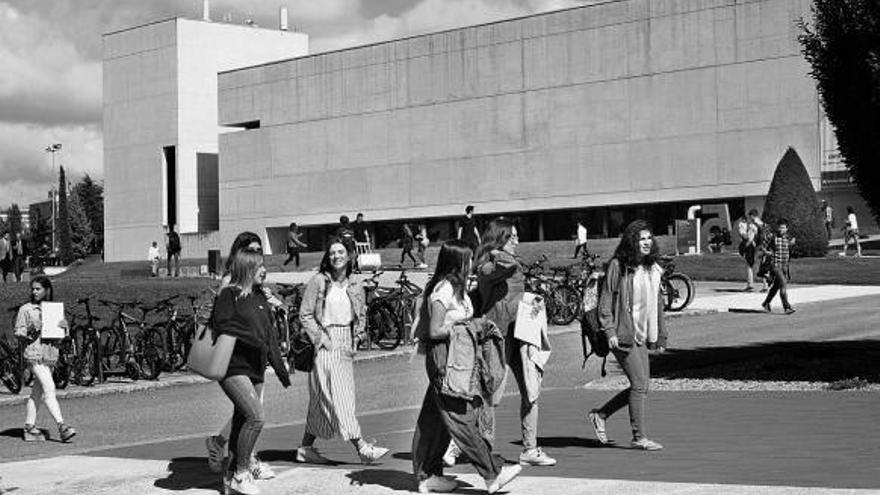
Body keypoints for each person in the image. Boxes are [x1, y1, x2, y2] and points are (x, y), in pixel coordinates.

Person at [411, 241, 521, 494]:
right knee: (460, 416)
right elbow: (435, 329)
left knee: (434, 420)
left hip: (460, 357)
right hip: (445, 357)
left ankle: (428, 475)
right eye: (469, 259)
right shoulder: (443, 289)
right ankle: (492, 473)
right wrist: (465, 328)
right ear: (458, 262)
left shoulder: (459, 289)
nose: (472, 264)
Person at [459, 217, 556, 467]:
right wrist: (494, 251)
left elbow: (515, 288)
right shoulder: (488, 266)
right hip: (497, 336)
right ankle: (478, 447)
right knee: (490, 395)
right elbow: (505, 267)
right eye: (512, 237)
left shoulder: (507, 262)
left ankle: (530, 449)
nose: (517, 241)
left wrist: (530, 302)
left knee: (531, 389)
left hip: (521, 333)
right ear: (500, 238)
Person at [295, 239, 389, 464]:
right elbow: (305, 314)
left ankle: (305, 448)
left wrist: (356, 338)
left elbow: (361, 313)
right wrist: (322, 339)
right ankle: (362, 448)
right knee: (341, 396)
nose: (336, 256)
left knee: (321, 399)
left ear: (349, 256)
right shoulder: (319, 281)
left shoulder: (355, 284)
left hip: (346, 341)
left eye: (341, 252)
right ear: (327, 258)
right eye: (332, 253)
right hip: (326, 341)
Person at [212, 248, 291, 495]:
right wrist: (252, 338)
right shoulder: (230, 295)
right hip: (232, 366)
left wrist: (281, 371)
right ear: (247, 269)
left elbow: (269, 338)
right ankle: (242, 473)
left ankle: (230, 479)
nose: (264, 271)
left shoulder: (260, 299)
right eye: (259, 267)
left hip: (255, 368)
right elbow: (221, 324)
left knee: (241, 422)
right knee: (256, 418)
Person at [587, 220, 668, 451]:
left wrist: (661, 335)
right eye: (641, 239)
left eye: (648, 238)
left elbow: (658, 305)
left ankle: (601, 415)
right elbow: (605, 300)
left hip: (641, 333)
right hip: (622, 333)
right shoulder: (618, 266)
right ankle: (639, 437)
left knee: (642, 385)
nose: (646, 242)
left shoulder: (652, 268)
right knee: (640, 384)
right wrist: (609, 330)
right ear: (632, 241)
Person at [14, 275, 76, 443]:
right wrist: (33, 330)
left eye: (38, 289)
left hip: (50, 355)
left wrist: (65, 329)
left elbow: (61, 337)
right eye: (33, 289)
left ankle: (29, 426)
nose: (34, 292)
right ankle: (62, 426)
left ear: (47, 290)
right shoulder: (26, 309)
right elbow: (18, 332)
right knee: (50, 388)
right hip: (34, 355)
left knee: (37, 392)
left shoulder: (54, 310)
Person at [761, 219, 796, 315]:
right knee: (783, 284)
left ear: (787, 229)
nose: (781, 229)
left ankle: (766, 303)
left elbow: (788, 247)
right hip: (775, 264)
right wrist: (767, 252)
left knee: (776, 286)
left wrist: (791, 244)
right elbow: (762, 246)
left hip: (785, 266)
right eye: (780, 227)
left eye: (783, 227)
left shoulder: (788, 238)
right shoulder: (772, 236)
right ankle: (787, 307)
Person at [736, 209, 763, 291]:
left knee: (749, 266)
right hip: (762, 246)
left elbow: (749, 238)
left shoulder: (752, 225)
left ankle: (750, 284)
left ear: (752, 215)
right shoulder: (762, 223)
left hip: (752, 246)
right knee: (763, 265)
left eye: (750, 216)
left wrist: (745, 247)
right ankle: (766, 285)